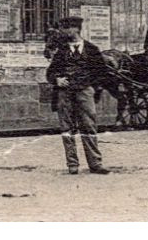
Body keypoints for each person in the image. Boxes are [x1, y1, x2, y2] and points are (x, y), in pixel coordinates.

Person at [46, 15, 111, 175]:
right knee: (67, 128)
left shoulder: (92, 50)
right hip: (64, 93)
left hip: (85, 92)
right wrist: (57, 80)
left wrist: (92, 88)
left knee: (89, 127)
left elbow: (102, 73)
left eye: (66, 28)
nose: (63, 31)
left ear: (75, 29)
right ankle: (72, 164)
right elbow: (50, 72)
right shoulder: (61, 52)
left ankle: (95, 164)